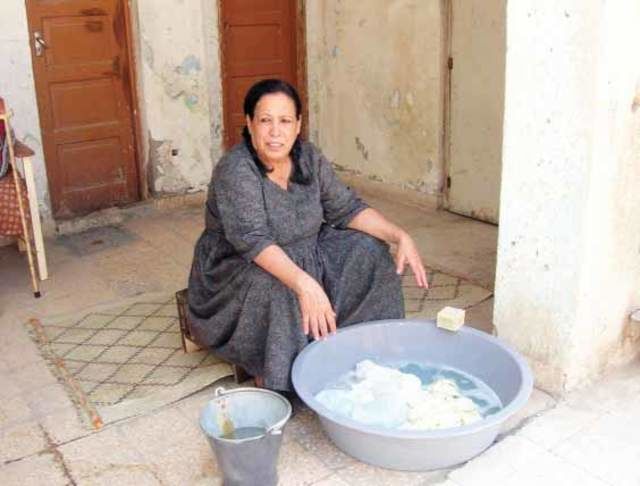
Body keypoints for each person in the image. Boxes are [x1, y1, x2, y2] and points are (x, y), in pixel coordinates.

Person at [188, 79, 427, 391]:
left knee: (370, 251)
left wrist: (399, 235)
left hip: (308, 248)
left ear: (298, 124)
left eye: (285, 121)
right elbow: (252, 240)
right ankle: (280, 375)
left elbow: (345, 207)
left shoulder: (308, 158)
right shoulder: (236, 169)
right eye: (265, 120)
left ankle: (364, 345)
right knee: (279, 287)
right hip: (240, 266)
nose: (276, 132)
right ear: (250, 124)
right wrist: (304, 284)